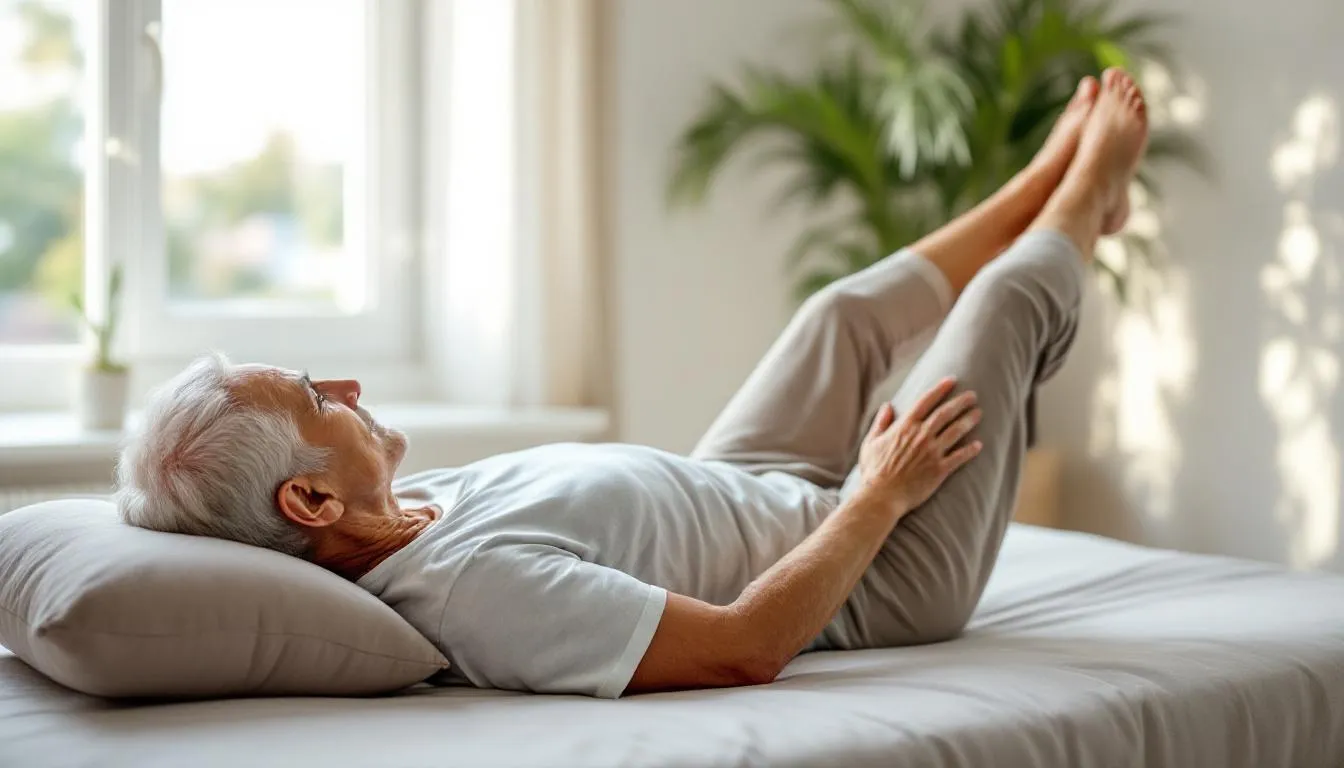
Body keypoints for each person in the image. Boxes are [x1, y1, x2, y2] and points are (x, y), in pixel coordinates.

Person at [117, 69, 1148, 698]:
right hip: (874, 566)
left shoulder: (410, 515)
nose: (344, 384)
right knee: (1009, 304)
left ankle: (1039, 185)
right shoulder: (475, 592)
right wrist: (880, 493)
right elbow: (743, 649)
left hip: (742, 486)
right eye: (314, 398)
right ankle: (1088, 195)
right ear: (308, 500)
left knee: (835, 315)